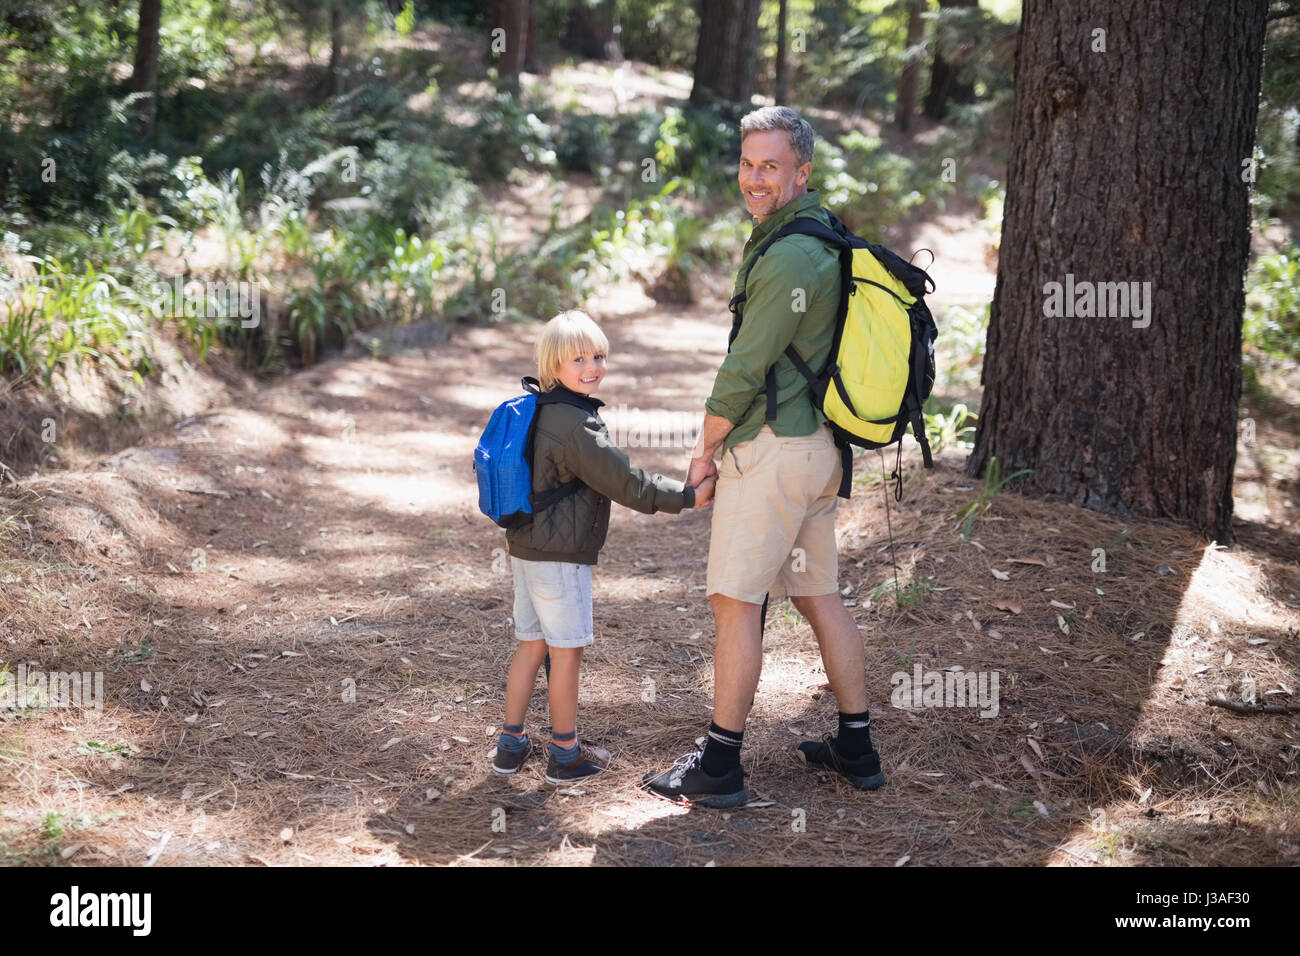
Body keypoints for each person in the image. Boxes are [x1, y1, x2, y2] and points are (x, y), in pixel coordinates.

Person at [643, 106, 885, 808]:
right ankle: (856, 746)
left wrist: (703, 451)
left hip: (774, 456)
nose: (754, 178)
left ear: (801, 171)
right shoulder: (821, 234)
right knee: (817, 595)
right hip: (817, 457)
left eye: (770, 165)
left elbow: (744, 369)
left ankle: (719, 767)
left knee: (733, 604)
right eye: (748, 164)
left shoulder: (787, 256)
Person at [493, 309, 716, 785]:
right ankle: (565, 754)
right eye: (578, 359)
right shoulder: (578, 426)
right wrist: (688, 497)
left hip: (526, 551)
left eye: (598, 355)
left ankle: (511, 743)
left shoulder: (542, 409)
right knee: (566, 652)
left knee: (531, 646)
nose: (592, 366)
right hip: (560, 560)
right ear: (554, 366)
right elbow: (629, 483)